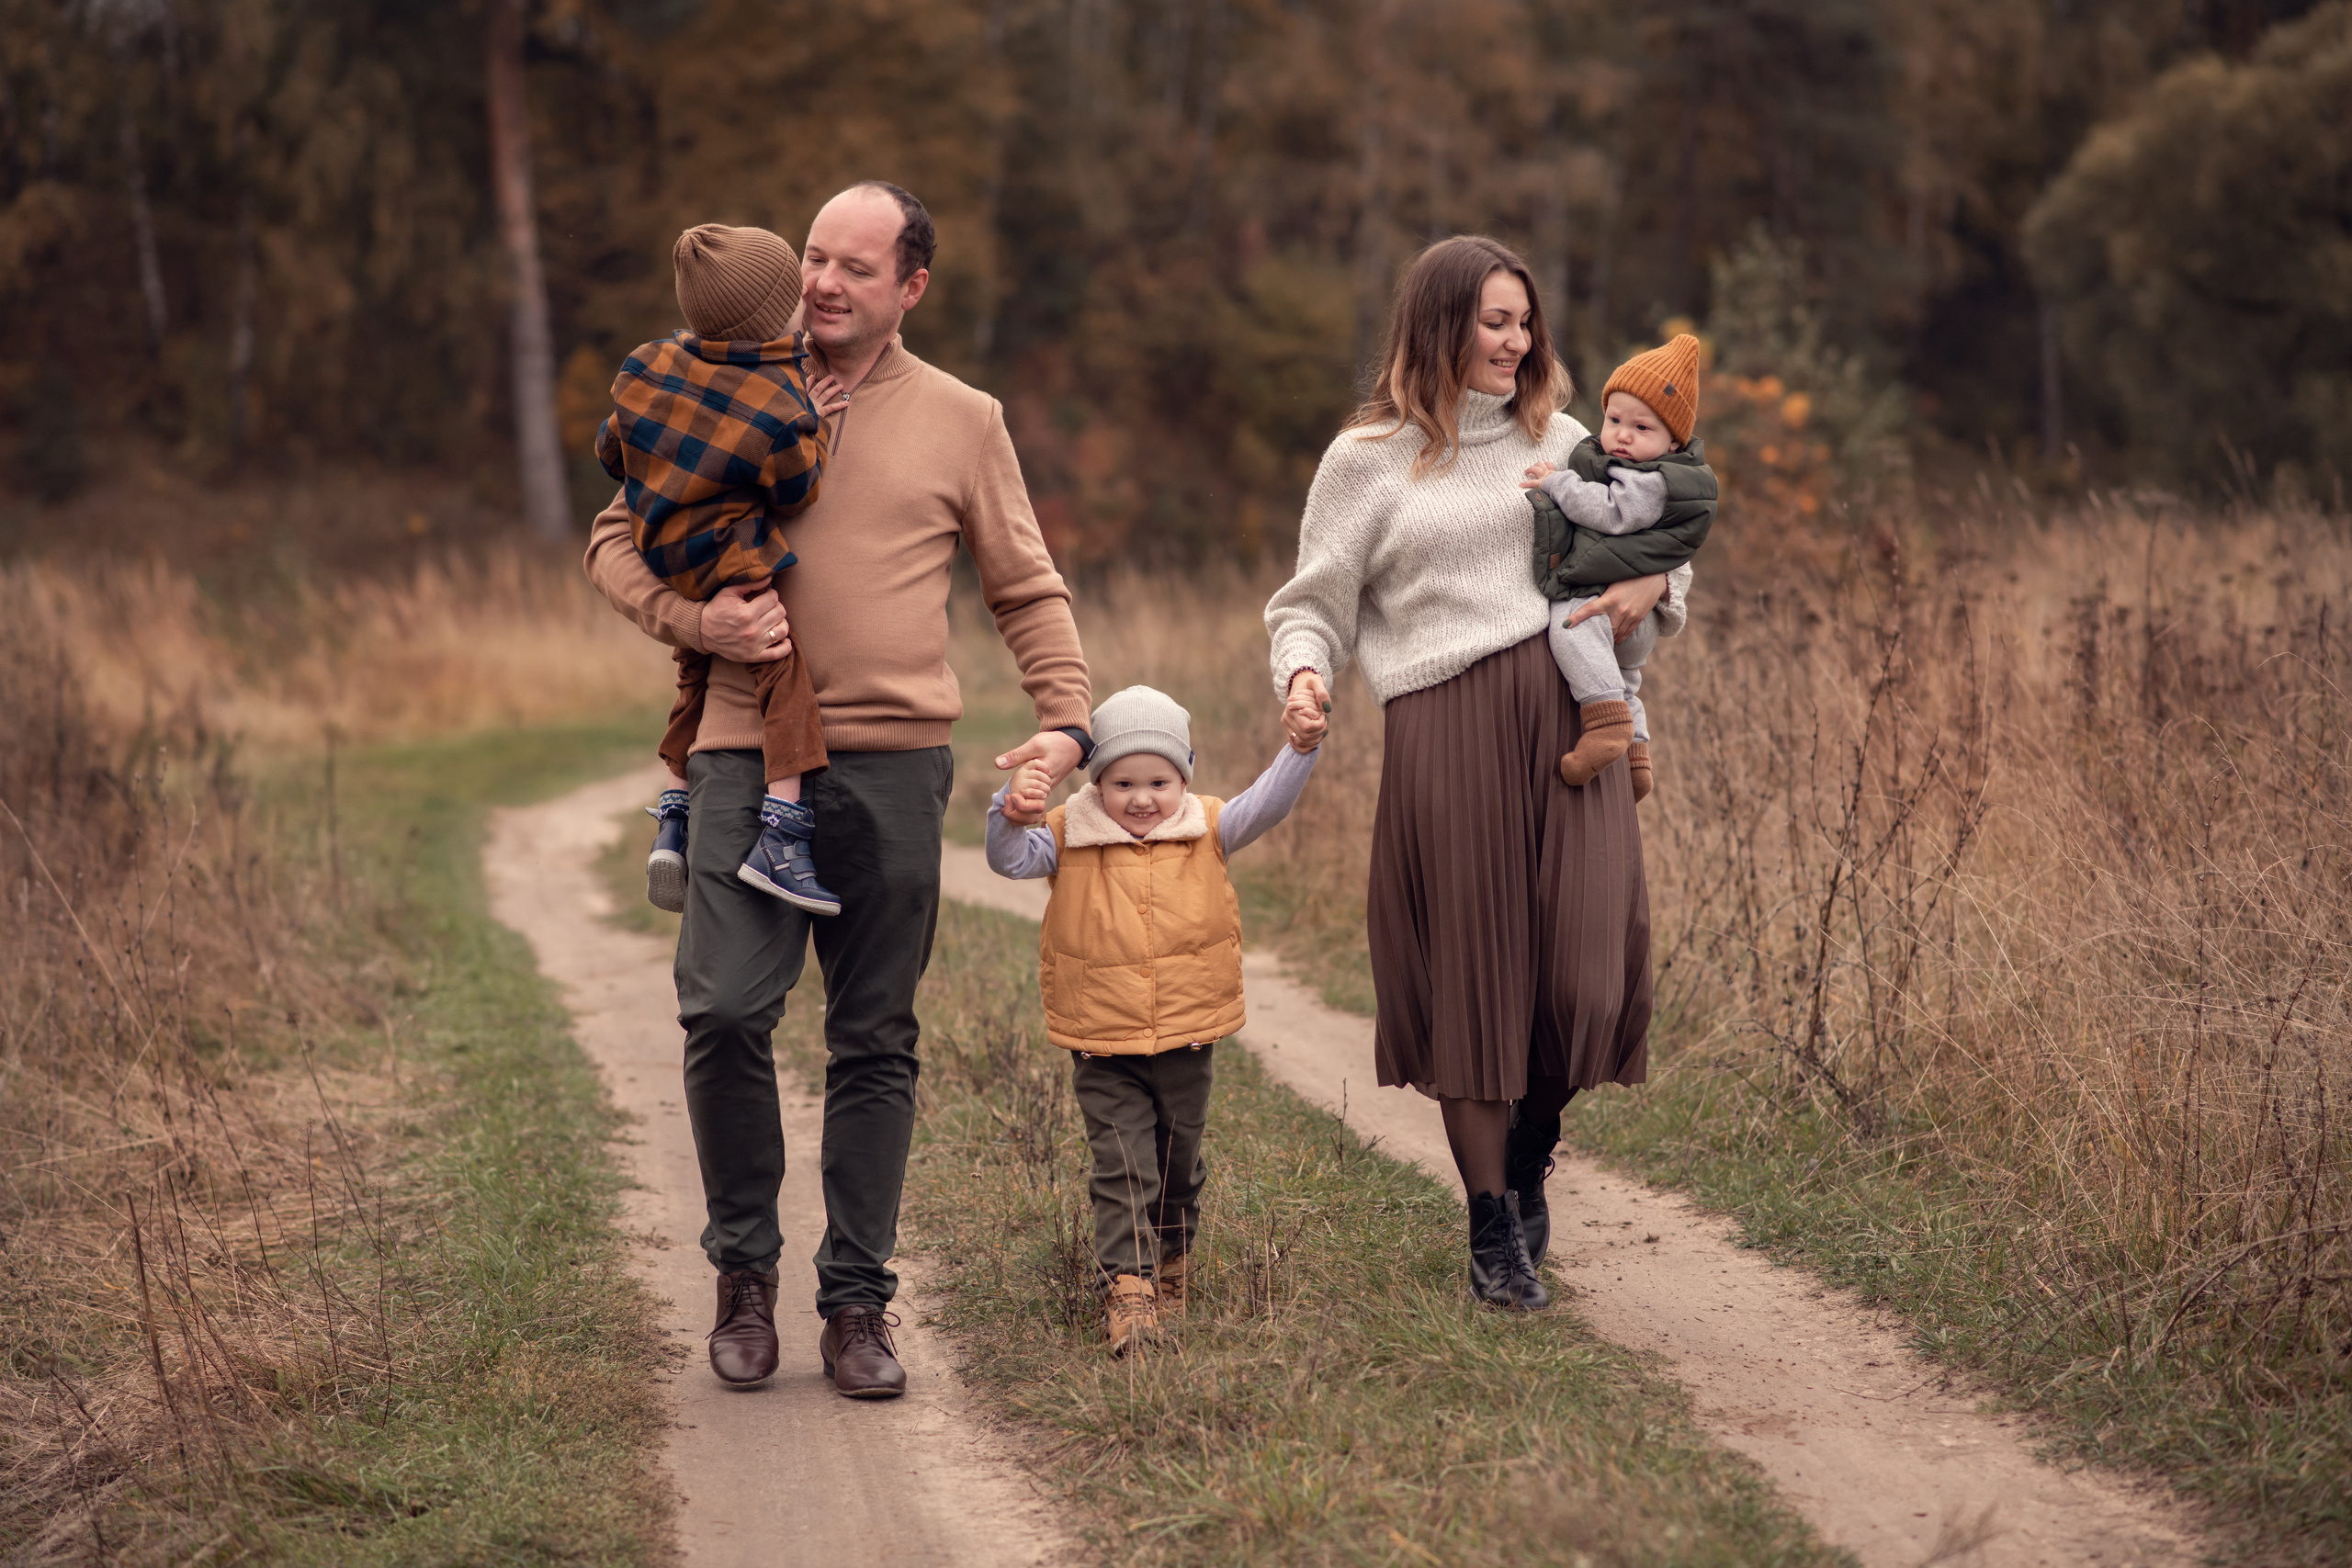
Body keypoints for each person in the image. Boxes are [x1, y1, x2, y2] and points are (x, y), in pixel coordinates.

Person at [583, 182, 1093, 1397]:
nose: (822, 282)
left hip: (895, 765)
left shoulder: (964, 419)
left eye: (856, 267)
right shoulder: (719, 378)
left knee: (874, 1038)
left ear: (911, 286)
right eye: (814, 256)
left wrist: (1067, 721)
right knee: (721, 1009)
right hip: (737, 747)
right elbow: (612, 538)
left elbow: (1024, 583)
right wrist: (695, 618)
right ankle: (743, 1277)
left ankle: (858, 1300)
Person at [1262, 236, 1693, 1311]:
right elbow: (1312, 602)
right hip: (1444, 733)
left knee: (1586, 974)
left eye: (1523, 321)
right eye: (1494, 321)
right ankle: (1492, 1224)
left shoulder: (1570, 438)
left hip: (1572, 728)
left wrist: (1654, 589)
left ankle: (1532, 1144)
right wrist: (1304, 676)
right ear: (1440, 325)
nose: (1515, 340)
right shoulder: (1366, 459)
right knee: (1473, 979)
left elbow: (1662, 528)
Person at [985, 684, 1327, 1354]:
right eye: (1123, 783)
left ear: (1185, 777)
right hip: (1103, 1042)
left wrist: (1300, 749)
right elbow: (1009, 857)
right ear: (1096, 781)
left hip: (1186, 1038)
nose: (1142, 798)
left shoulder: (1208, 826)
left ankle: (1171, 1261)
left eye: (1158, 782)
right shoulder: (1068, 832)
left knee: (1178, 1163)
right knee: (1123, 1166)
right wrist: (1010, 808)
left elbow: (1270, 801)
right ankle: (1129, 1289)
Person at [597, 223, 851, 918]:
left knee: (696, 668)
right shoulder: (777, 406)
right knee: (781, 671)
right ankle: (782, 835)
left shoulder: (645, 365)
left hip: (659, 550)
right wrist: (818, 423)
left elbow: (612, 451)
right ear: (771, 318)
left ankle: (674, 809)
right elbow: (797, 490)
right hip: (728, 557)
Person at [1518, 332, 1718, 797]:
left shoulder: (1651, 482)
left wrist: (1558, 484)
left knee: (1570, 625)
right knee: (1625, 678)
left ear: (1674, 443)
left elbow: (1610, 512)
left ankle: (1606, 723)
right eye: (1614, 420)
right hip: (1632, 623)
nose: (1623, 435)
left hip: (1615, 609)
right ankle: (1636, 758)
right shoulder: (1646, 469)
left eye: (1642, 428)